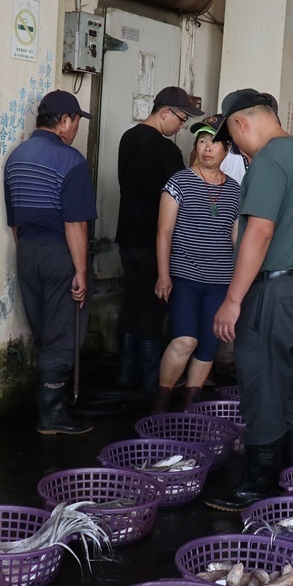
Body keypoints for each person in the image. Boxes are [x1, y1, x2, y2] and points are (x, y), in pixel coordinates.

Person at [204, 89, 293, 511]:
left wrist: (233, 300)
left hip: (273, 290)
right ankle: (291, 481)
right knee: (286, 386)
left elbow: (259, 231)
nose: (236, 148)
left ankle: (258, 484)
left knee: (260, 388)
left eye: (233, 140)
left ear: (240, 123)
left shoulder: (270, 161)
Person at [4, 91, 98, 434]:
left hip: (27, 250)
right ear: (64, 122)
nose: (76, 129)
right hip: (59, 252)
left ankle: (51, 407)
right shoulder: (70, 161)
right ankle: (52, 416)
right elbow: (75, 222)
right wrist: (81, 271)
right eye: (75, 122)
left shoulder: (17, 157)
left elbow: (14, 221)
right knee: (62, 332)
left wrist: (31, 251)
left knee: (44, 328)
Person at [115, 86, 204, 392]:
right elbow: (186, 194)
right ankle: (152, 380)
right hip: (156, 240)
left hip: (127, 236)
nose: (181, 126)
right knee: (152, 309)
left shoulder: (128, 138)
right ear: (164, 112)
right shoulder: (165, 150)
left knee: (131, 303)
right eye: (180, 119)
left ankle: (125, 373)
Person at [150, 117, 242, 413]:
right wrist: (163, 275)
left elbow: (237, 240)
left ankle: (191, 402)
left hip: (220, 280)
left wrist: (239, 288)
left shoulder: (235, 190)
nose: (207, 148)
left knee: (208, 345)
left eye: (214, 142)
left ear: (227, 149)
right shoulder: (179, 182)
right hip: (185, 277)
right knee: (186, 339)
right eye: (202, 141)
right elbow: (164, 231)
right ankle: (162, 399)